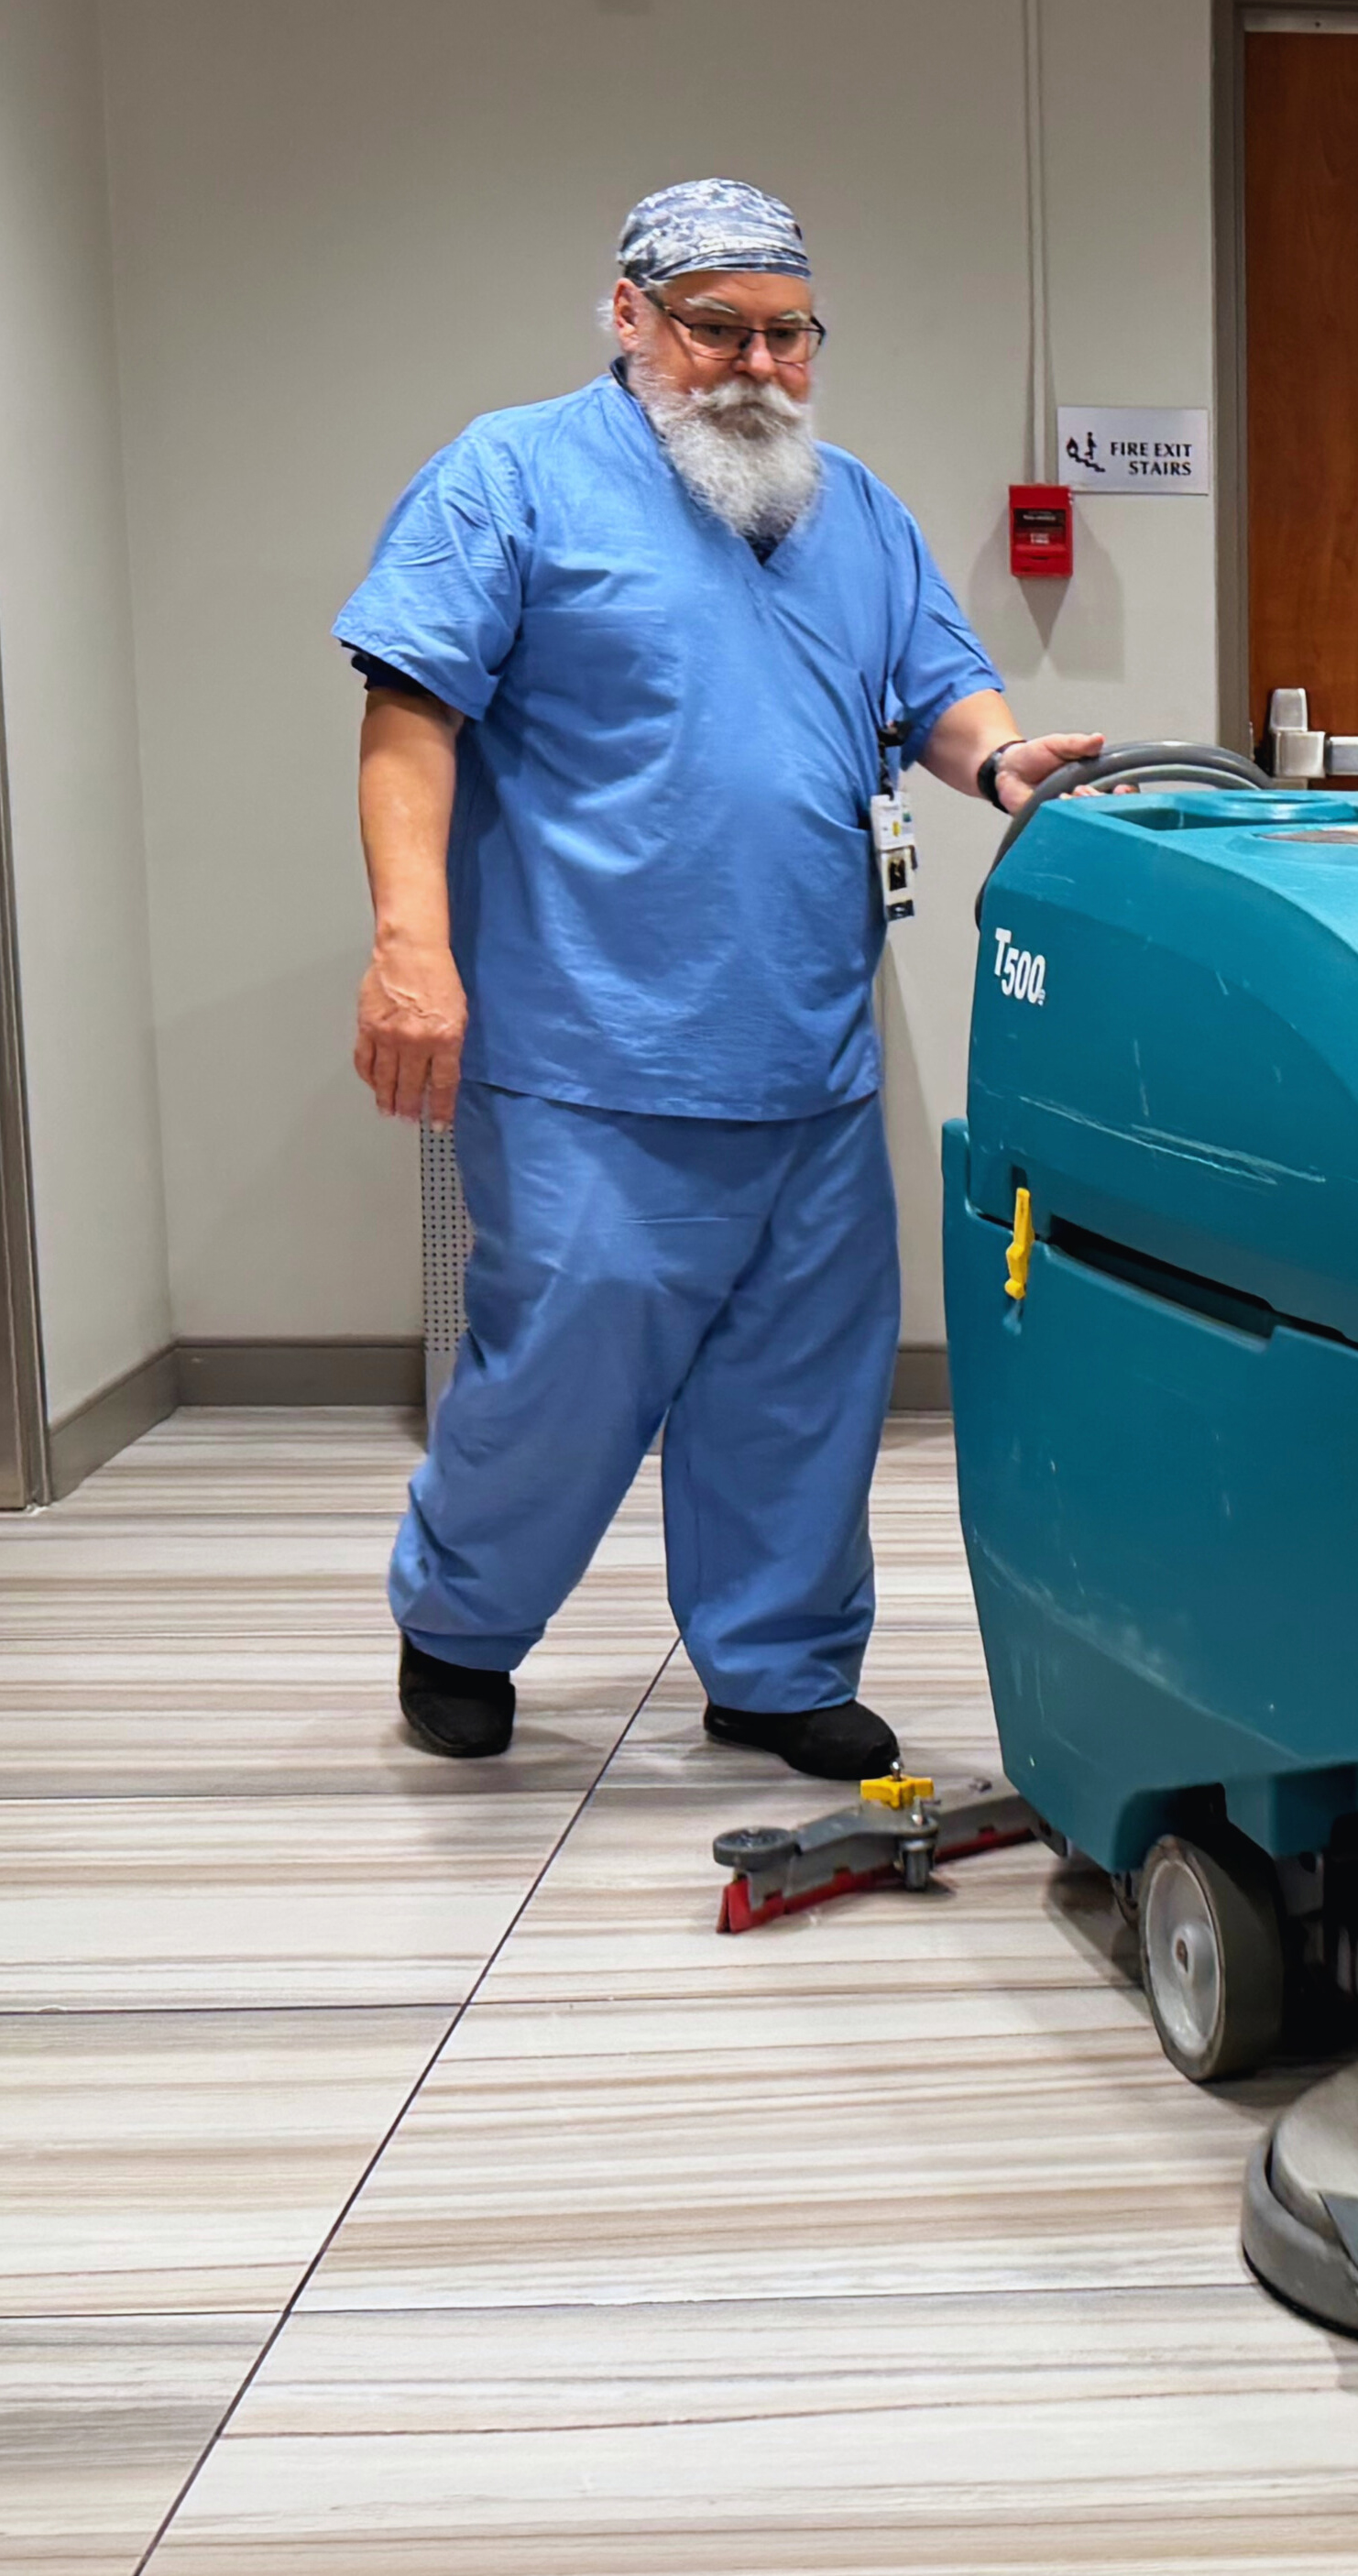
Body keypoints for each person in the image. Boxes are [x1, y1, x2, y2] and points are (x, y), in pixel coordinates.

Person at [337, 177, 1099, 1777]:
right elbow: (412, 712)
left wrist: (1005, 756)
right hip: (587, 1038)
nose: (753, 364)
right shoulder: (514, 477)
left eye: (786, 333)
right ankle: (461, 1625)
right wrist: (411, 946)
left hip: (807, 1049)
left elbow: (939, 689)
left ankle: (771, 1666)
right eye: (714, 329)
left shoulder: (856, 509)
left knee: (803, 1377)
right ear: (628, 318)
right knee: (563, 1354)